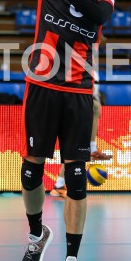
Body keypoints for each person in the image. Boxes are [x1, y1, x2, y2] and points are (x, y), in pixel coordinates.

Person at [19, 0, 116, 261]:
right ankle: (35, 234)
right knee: (31, 172)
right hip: (42, 85)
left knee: (75, 179)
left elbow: (99, 16)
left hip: (78, 90)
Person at [50, 69, 112, 199]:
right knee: (95, 107)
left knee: (74, 150)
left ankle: (59, 186)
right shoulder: (77, 68)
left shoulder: (91, 69)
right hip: (71, 104)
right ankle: (92, 148)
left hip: (79, 106)